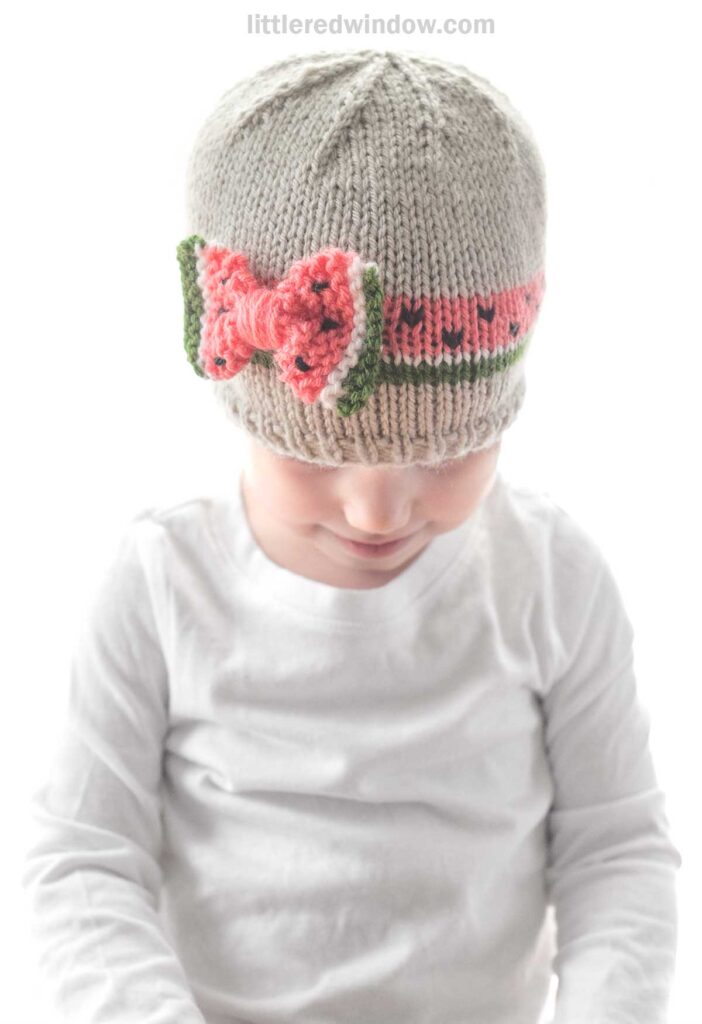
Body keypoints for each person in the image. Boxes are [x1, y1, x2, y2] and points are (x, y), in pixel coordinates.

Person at [21, 47, 682, 1024]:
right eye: (319, 456)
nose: (377, 510)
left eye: (449, 452)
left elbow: (617, 847)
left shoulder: (550, 576)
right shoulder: (160, 582)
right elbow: (80, 861)